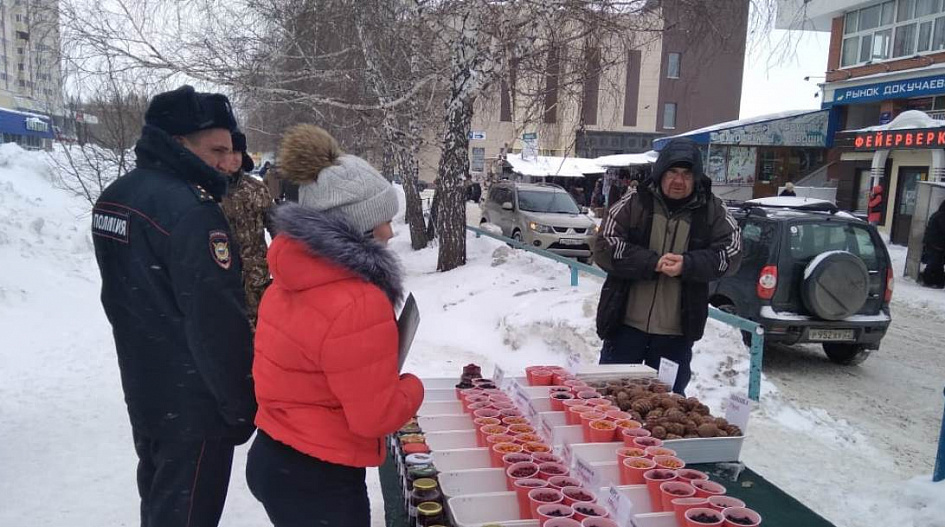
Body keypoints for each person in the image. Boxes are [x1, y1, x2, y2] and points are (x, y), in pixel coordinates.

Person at [91, 85, 256, 527]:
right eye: (215, 150)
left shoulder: (116, 195)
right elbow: (216, 321)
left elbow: (123, 297)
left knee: (162, 502)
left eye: (229, 149)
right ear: (178, 142)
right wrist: (240, 405)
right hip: (193, 404)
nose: (226, 161)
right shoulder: (192, 210)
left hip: (147, 387)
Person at [246, 124, 424, 527]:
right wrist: (413, 387)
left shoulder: (289, 278)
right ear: (355, 227)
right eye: (381, 220)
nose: (389, 232)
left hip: (275, 457)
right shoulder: (359, 301)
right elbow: (374, 418)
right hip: (319, 479)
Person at [593, 138, 742, 395]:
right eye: (672, 172)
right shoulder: (635, 203)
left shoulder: (712, 210)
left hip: (676, 334)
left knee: (667, 408)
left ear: (696, 177)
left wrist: (689, 264)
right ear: (660, 172)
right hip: (625, 327)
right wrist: (650, 262)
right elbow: (603, 244)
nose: (678, 181)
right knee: (610, 400)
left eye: (686, 174)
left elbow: (734, 253)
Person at [220, 129, 275, 330]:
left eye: (239, 153)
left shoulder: (257, 189)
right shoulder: (209, 192)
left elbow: (277, 229)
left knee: (261, 331)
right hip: (223, 279)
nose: (234, 158)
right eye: (230, 152)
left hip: (256, 278)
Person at [920, 200, 945, 289]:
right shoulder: (942, 216)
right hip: (936, 245)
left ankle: (937, 281)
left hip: (933, 244)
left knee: (936, 263)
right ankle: (930, 280)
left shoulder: (937, 214)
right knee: (935, 263)